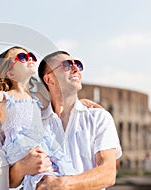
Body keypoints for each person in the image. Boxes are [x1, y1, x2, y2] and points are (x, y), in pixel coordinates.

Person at [10, 50, 122, 190]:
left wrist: (63, 184)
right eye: (67, 65)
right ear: (49, 79)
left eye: (78, 65)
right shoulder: (32, 123)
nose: (76, 68)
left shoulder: (99, 118)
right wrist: (21, 168)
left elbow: (108, 173)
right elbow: (9, 180)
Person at [0, 46, 79, 189]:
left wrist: (85, 103)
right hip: (21, 147)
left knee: (60, 175)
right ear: (9, 73)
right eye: (22, 57)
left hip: (44, 143)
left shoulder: (38, 97)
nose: (29, 59)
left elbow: (63, 102)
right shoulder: (2, 97)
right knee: (40, 180)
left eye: (31, 56)